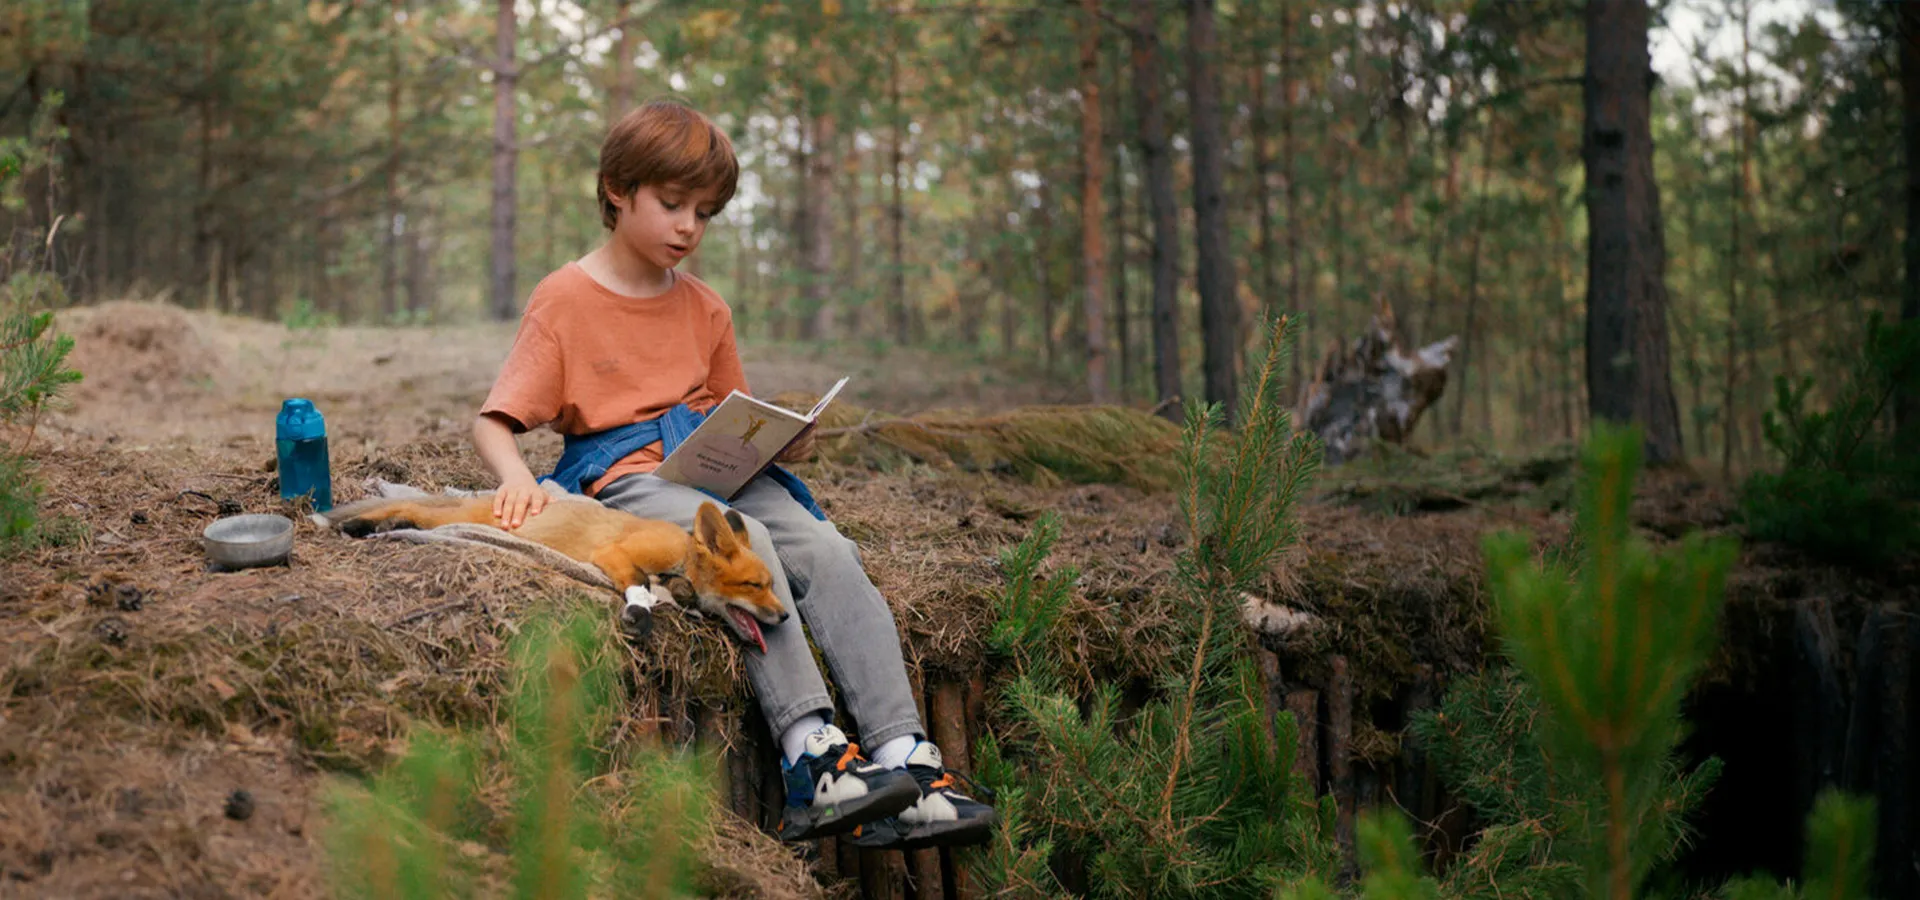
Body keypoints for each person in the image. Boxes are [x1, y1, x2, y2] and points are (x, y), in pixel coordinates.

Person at [470, 98, 994, 850]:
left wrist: (781, 444)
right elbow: (494, 420)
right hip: (627, 477)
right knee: (748, 548)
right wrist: (514, 477)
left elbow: (731, 416)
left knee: (827, 549)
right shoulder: (566, 298)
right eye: (672, 204)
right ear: (618, 189)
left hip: (714, 474)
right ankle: (811, 757)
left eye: (705, 213)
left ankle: (903, 759)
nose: (689, 227)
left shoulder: (706, 308)